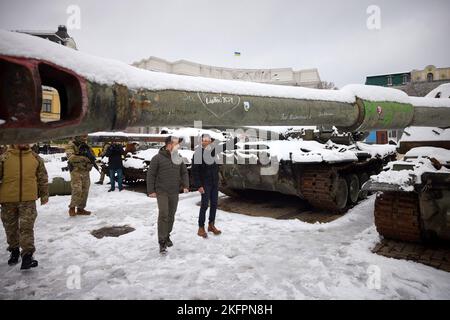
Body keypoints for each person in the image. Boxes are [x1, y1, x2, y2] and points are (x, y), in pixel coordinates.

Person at [0, 144, 48, 270]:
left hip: (28, 200)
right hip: (7, 199)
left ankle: (27, 255)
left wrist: (44, 195)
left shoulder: (35, 158)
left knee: (27, 228)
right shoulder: (4, 157)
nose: (24, 142)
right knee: (10, 227)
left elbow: (42, 177)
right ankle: (14, 250)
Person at [147, 136, 189, 254]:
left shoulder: (178, 158)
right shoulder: (157, 158)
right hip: (162, 191)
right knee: (164, 214)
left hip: (174, 191)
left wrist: (186, 185)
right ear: (169, 144)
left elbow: (184, 172)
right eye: (176, 144)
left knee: (171, 215)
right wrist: (151, 190)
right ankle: (162, 241)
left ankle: (167, 235)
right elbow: (151, 175)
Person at [192, 134, 238, 238]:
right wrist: (199, 185)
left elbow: (225, 146)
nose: (206, 142)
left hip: (214, 183)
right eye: (204, 140)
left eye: (208, 141)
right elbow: (195, 172)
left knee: (214, 204)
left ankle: (211, 225)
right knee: (204, 205)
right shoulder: (198, 154)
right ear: (201, 142)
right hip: (205, 184)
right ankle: (200, 228)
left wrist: (238, 139)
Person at [66, 135, 95, 216]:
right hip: (76, 171)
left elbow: (92, 155)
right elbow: (70, 157)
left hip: (85, 170)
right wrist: (83, 158)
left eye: (86, 136)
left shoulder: (86, 145)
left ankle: (80, 208)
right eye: (83, 136)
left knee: (85, 189)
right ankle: (72, 208)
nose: (85, 138)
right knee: (77, 189)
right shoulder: (71, 145)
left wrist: (90, 161)